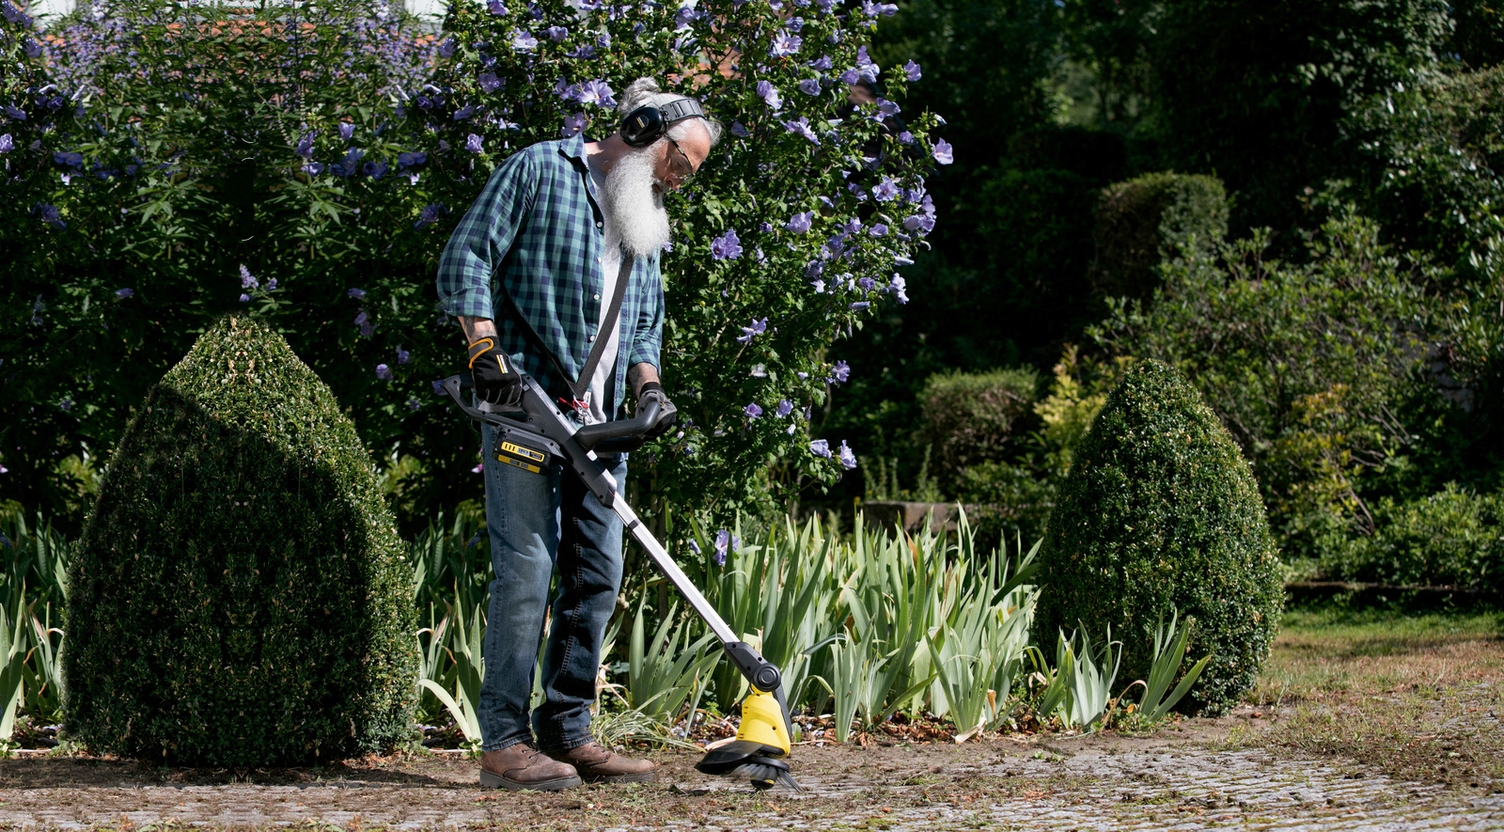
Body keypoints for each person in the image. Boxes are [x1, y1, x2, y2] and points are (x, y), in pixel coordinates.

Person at [435, 78, 720, 791]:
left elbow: (645, 320)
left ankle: (570, 731)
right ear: (644, 128)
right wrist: (483, 350)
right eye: (680, 161)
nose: (681, 179)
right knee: (528, 571)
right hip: (524, 408)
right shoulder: (539, 170)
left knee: (599, 576)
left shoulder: (643, 212)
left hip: (597, 430)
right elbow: (468, 255)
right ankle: (503, 743)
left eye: (692, 171)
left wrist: (648, 390)